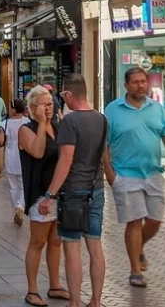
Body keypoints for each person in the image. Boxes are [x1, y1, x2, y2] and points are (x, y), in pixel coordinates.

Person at [103, 67, 165, 288]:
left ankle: (139, 247)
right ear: (126, 86)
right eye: (135, 82)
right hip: (125, 174)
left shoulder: (156, 108)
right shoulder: (113, 109)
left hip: (153, 173)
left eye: (143, 81)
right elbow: (104, 143)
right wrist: (109, 172)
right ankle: (135, 270)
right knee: (134, 221)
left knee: (154, 221)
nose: (140, 86)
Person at [38, 74, 107, 307]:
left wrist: (50, 194)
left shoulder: (69, 121)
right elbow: (105, 155)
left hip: (73, 193)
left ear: (68, 95)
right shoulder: (101, 119)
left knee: (72, 248)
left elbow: (65, 159)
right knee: (95, 247)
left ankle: (75, 302)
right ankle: (96, 301)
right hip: (96, 189)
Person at [19, 88, 68, 306]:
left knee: (56, 242)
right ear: (31, 108)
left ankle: (55, 284)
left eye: (50, 104)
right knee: (37, 242)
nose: (48, 108)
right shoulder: (26, 129)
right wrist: (40, 123)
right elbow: (38, 152)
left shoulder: (58, 127)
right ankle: (32, 289)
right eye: (42, 105)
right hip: (40, 194)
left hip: (59, 193)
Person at [0, 99, 29, 226]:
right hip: (24, 156)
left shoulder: (4, 123)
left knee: (13, 186)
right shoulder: (27, 122)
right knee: (24, 185)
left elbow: (0, 141)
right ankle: (20, 207)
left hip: (10, 156)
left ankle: (16, 209)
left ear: (14, 110)